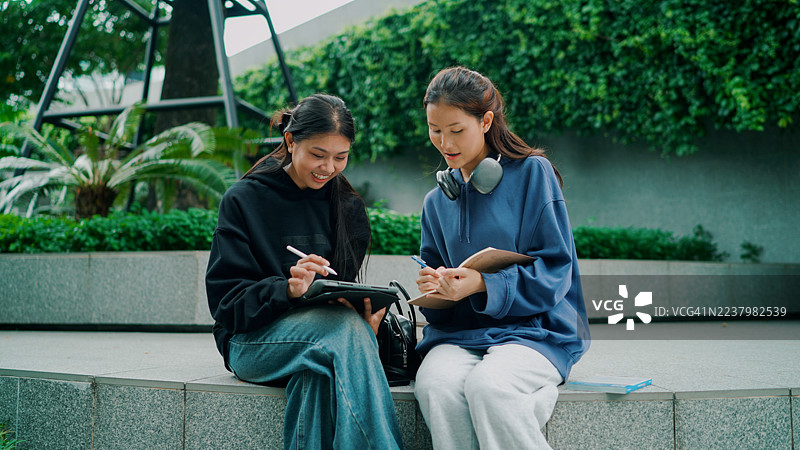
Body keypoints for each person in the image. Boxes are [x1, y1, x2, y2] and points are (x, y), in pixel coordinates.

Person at [205, 93, 403, 449]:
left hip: (326, 339)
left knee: (317, 376)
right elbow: (227, 306)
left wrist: (363, 317)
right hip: (250, 342)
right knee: (342, 332)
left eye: (340, 157)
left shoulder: (348, 207)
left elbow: (340, 292)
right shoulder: (244, 200)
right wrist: (288, 290)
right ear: (291, 140)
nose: (328, 168)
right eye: (317, 155)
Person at [413, 67, 591, 450]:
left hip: (537, 331)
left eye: (456, 130)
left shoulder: (532, 173)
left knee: (489, 387)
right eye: (435, 129)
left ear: (486, 120)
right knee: (434, 386)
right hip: (460, 334)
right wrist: (436, 289)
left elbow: (556, 270)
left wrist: (483, 284)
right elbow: (436, 287)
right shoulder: (434, 202)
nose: (445, 142)